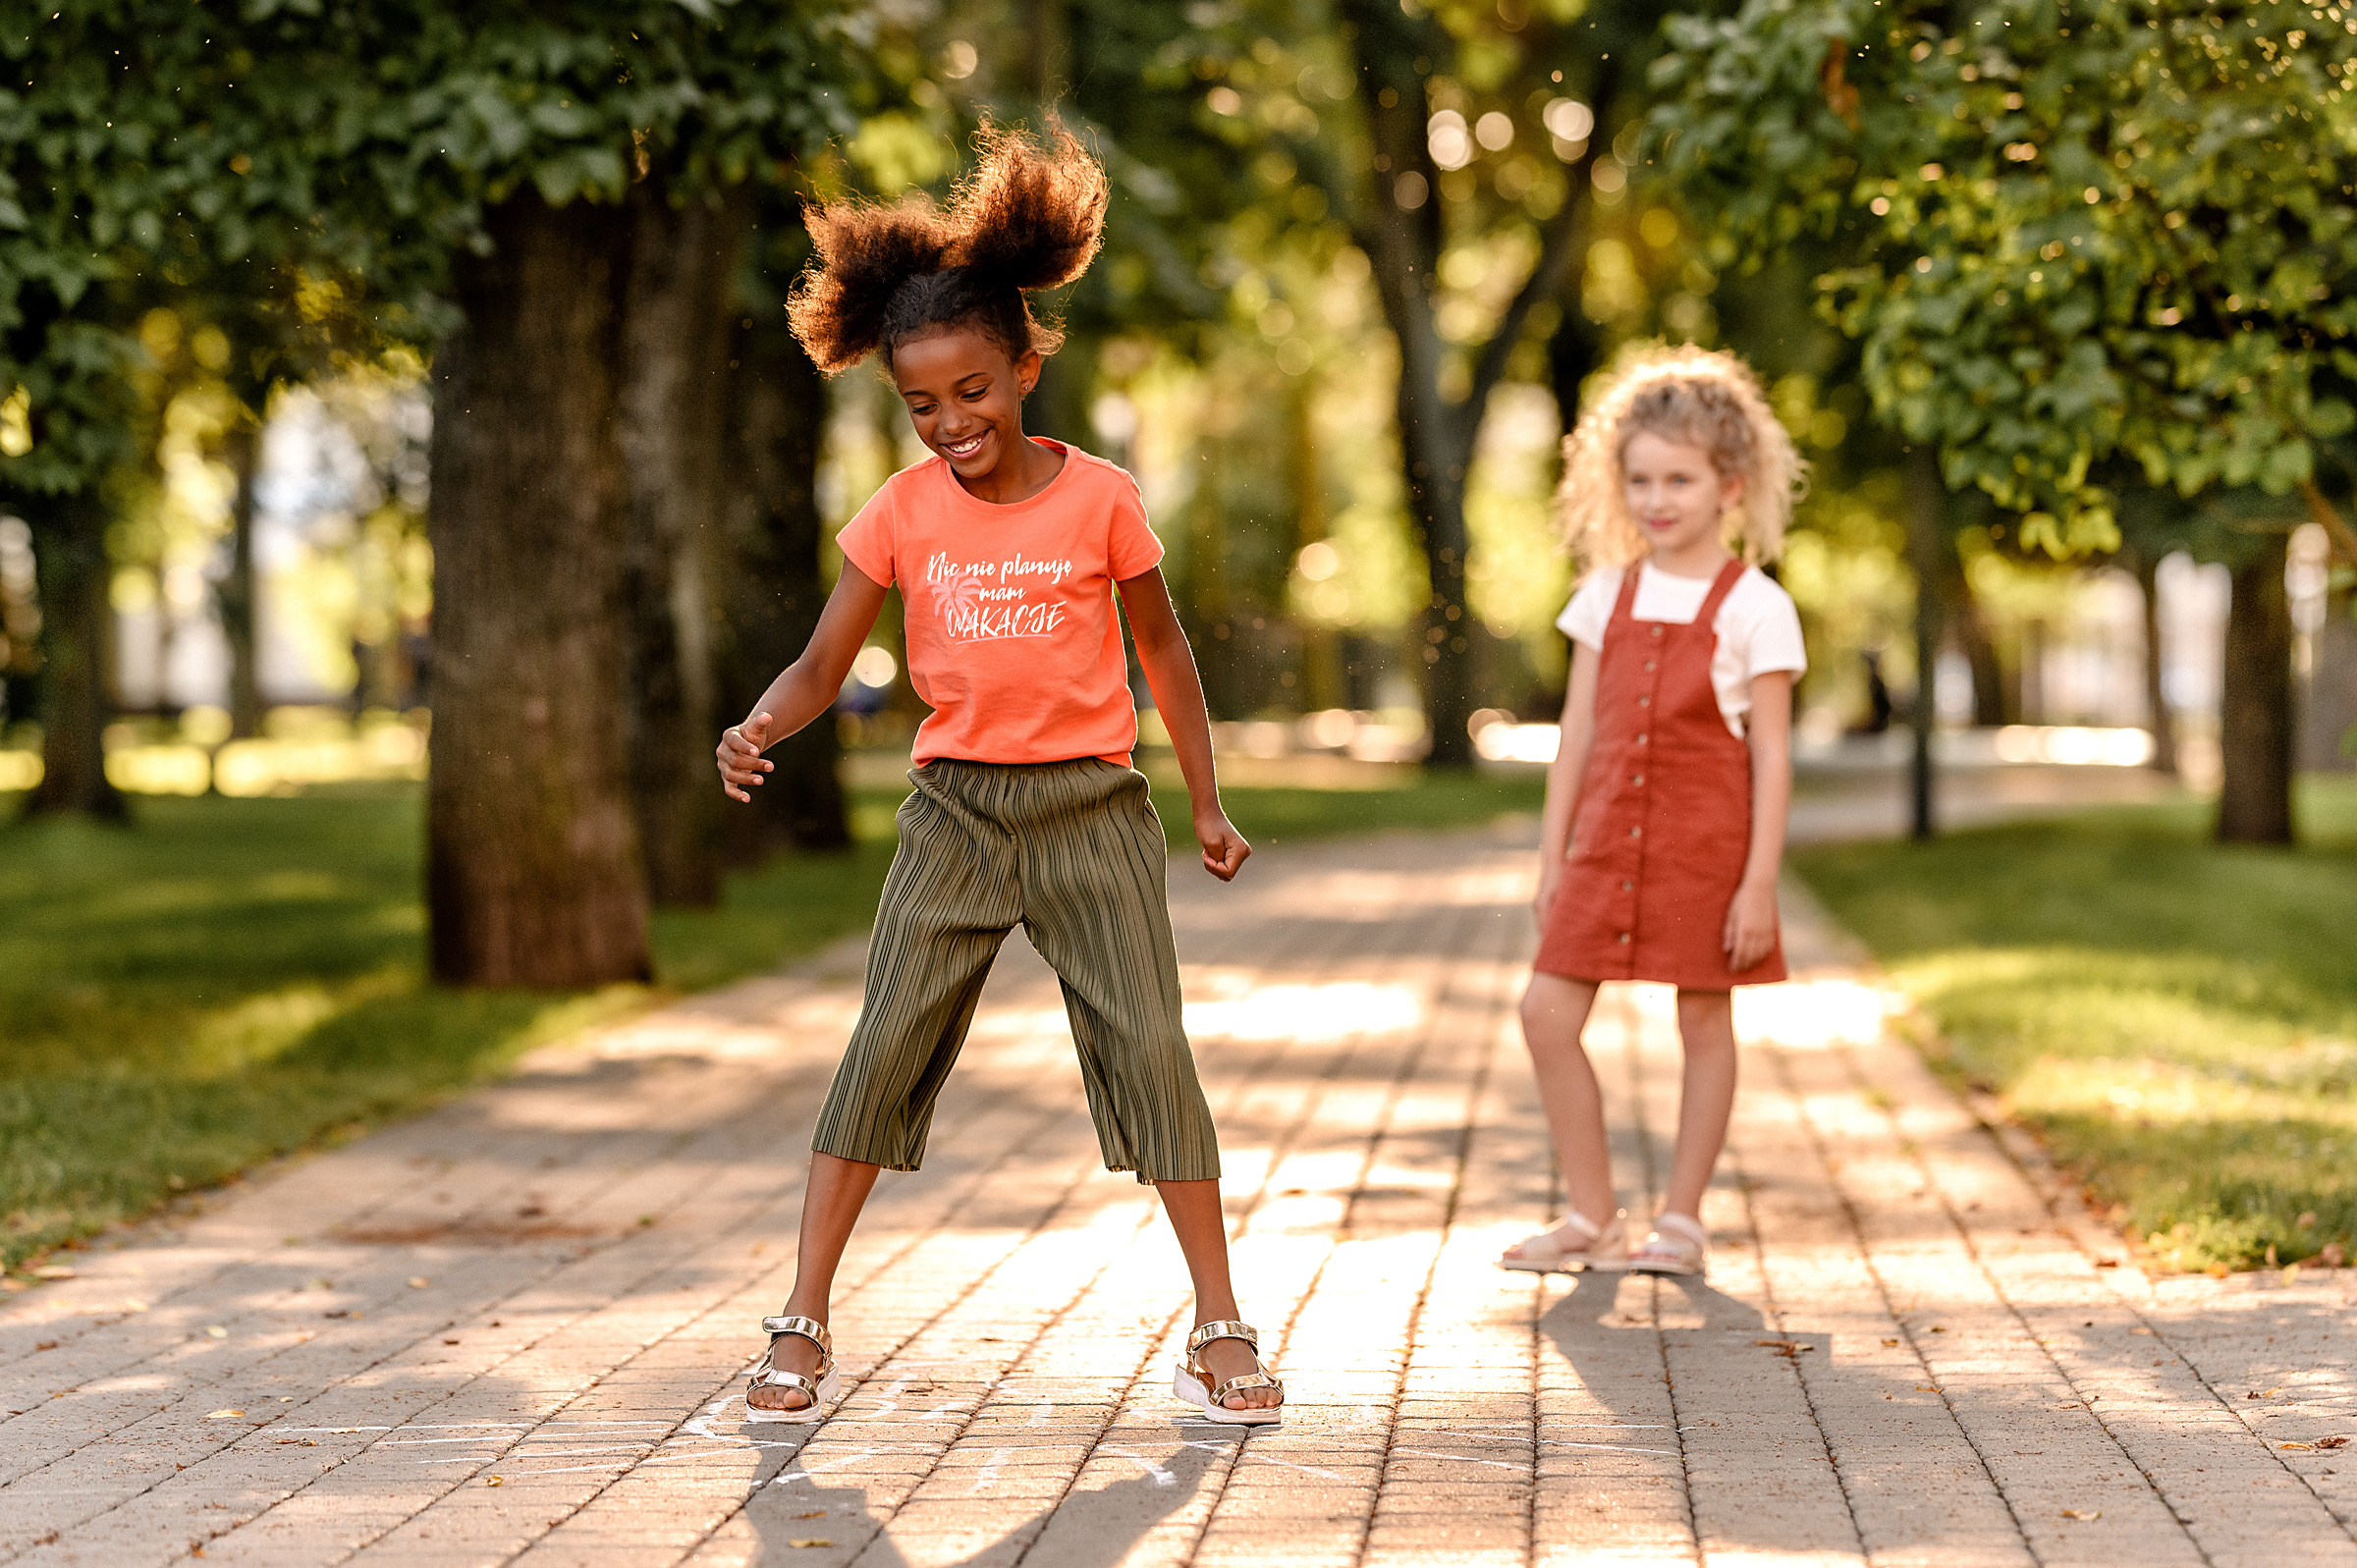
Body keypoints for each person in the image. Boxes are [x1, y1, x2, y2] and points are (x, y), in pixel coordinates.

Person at [712, 120, 1283, 1427]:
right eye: (921, 406)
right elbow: (821, 663)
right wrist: (759, 725)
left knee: (1151, 1049)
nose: (950, 423)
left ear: (1025, 367)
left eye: (972, 391)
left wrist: (1204, 799)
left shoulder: (1102, 499)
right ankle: (802, 1318)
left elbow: (1165, 652)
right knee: (881, 1047)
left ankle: (1219, 1322)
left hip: (1092, 810)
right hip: (955, 815)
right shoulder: (899, 513)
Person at [1500, 347, 1807, 1278]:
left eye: (1680, 479)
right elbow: (1578, 733)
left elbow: (1773, 756)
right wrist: (1553, 860)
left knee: (1704, 1023)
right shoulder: (1604, 594)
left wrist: (1759, 884)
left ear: (1730, 486)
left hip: (1705, 853)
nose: (1657, 499)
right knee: (1545, 1014)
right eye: (1639, 479)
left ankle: (1682, 1218)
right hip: (1603, 848)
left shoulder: (1758, 607)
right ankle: (1592, 1216)